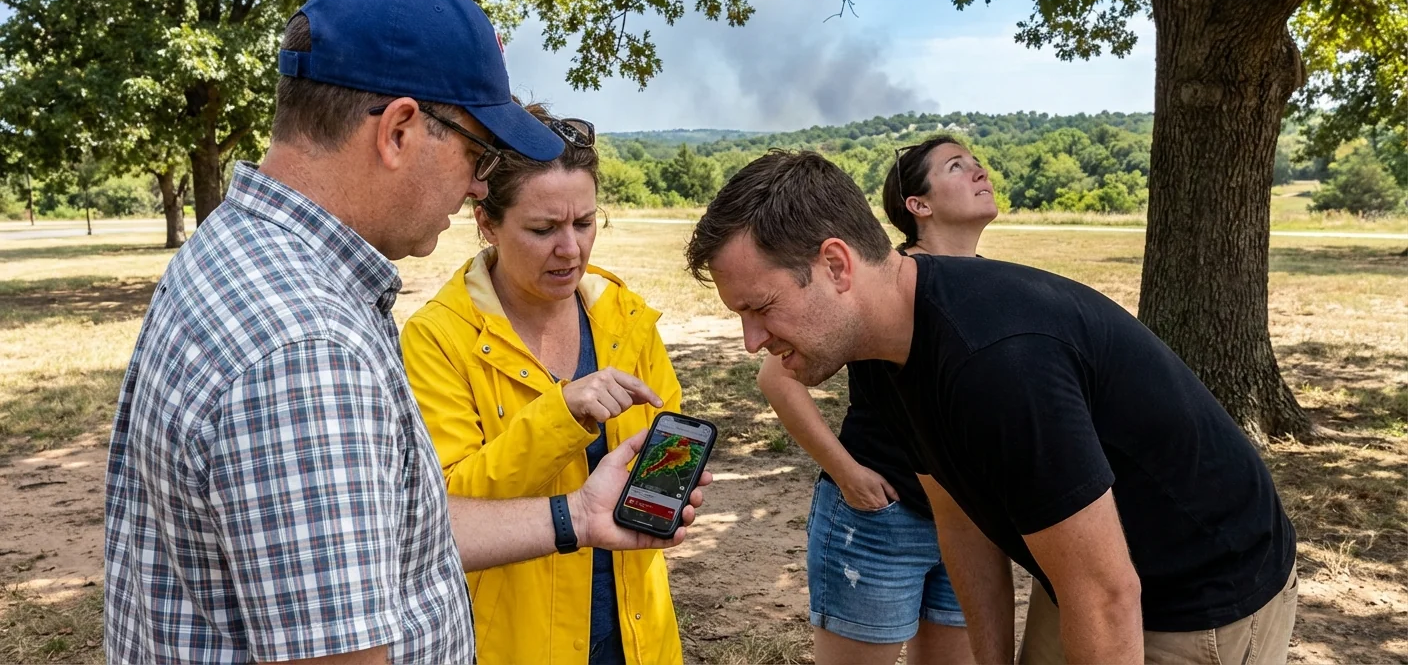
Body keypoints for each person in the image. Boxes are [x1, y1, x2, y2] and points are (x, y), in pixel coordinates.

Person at [103, 0, 708, 665]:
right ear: (398, 130)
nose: (479, 184)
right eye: (477, 151)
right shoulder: (308, 348)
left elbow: (390, 528)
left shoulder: (238, 255)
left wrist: (576, 516)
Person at [685, 150, 1298, 665]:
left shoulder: (998, 364)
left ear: (836, 266)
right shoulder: (879, 345)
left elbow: (1108, 596)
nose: (752, 341)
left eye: (759, 307)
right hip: (1088, 580)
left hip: (1201, 596)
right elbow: (959, 516)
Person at [402, 104, 687, 665]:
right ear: (486, 222)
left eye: (584, 223)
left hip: (638, 632)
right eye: (543, 229)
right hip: (513, 643)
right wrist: (562, 416)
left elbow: (662, 445)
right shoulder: (437, 338)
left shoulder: (624, 315)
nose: (571, 249)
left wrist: (675, 480)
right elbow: (441, 515)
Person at [755, 137, 993, 665]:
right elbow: (778, 378)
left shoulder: (988, 283)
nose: (979, 173)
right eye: (958, 166)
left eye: (977, 164)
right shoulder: (885, 282)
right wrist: (847, 473)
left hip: (971, 524)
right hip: (883, 521)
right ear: (918, 205)